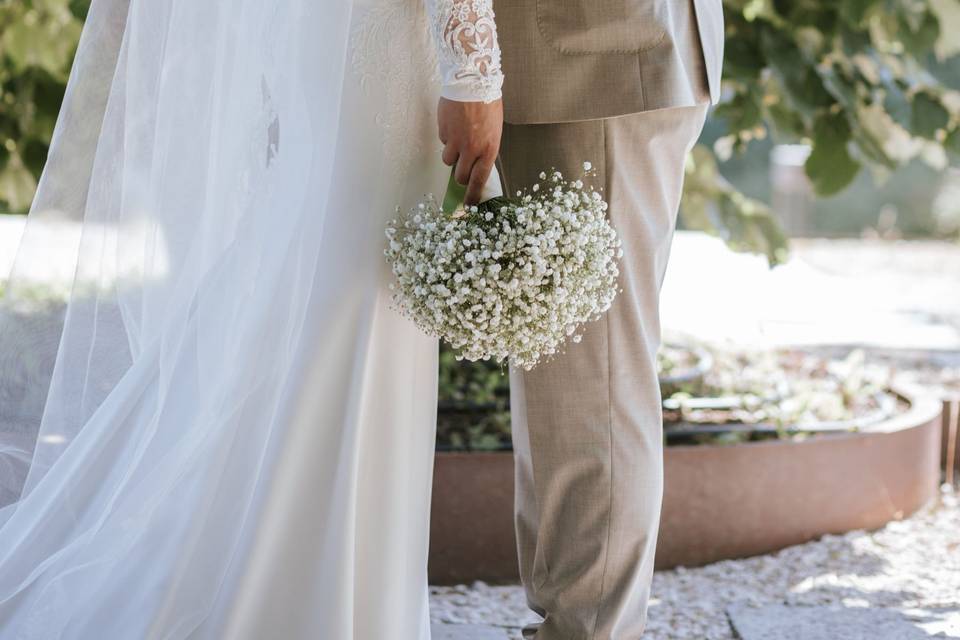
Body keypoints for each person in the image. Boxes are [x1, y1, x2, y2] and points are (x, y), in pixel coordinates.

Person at [0, 0, 503, 637]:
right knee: (352, 293)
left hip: (345, 32)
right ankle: (308, 598)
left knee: (325, 286)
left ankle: (305, 583)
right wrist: (473, 71)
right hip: (385, 38)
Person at [495, 0, 725, 638]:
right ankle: (574, 624)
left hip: (596, 59)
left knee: (594, 377)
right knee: (565, 378)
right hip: (579, 56)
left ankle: (589, 631)